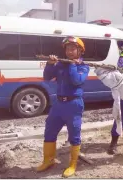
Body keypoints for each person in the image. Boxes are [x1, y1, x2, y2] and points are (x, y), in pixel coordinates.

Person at [36, 36, 90, 177]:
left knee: (74, 134)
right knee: (49, 131)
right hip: (58, 104)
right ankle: (48, 160)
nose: (69, 51)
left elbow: (76, 81)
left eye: (73, 48)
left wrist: (72, 64)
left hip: (74, 104)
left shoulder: (83, 66)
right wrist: (49, 64)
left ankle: (72, 164)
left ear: (80, 51)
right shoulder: (60, 64)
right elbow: (47, 77)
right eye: (67, 48)